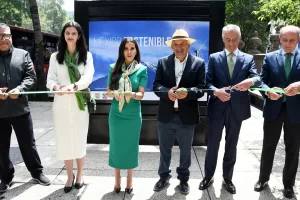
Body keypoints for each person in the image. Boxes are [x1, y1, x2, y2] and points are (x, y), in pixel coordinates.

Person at [199, 24, 260, 194]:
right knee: (212, 145)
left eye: (234, 40)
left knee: (231, 145)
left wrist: (251, 81)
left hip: (237, 110)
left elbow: (257, 77)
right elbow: (207, 82)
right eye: (228, 40)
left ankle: (228, 178)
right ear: (223, 39)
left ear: (239, 39)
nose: (231, 43)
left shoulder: (248, 59)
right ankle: (208, 176)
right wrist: (216, 92)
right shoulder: (214, 58)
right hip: (217, 108)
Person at [152, 29, 206, 195]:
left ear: (188, 45)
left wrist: (188, 92)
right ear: (172, 46)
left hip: (186, 116)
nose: (179, 47)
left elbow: (201, 89)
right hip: (166, 115)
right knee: (164, 149)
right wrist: (167, 93)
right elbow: (156, 86)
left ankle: (183, 179)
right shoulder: (162, 62)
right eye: (176, 44)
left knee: (185, 150)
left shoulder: (199, 63)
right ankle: (163, 176)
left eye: (182, 43)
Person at [0, 23, 50, 193]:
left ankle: (37, 172)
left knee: (28, 144)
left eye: (5, 35)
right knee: (1, 147)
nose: (3, 39)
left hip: (20, 109)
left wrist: (20, 90)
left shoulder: (23, 55)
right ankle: (5, 177)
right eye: (0, 36)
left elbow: (30, 76)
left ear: (10, 37)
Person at [46, 21, 94, 193]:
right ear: (63, 35)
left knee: (79, 139)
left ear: (79, 36)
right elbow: (50, 80)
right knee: (65, 140)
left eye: (74, 33)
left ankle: (80, 174)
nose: (70, 36)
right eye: (67, 33)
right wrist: (57, 87)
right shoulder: (55, 57)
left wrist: (74, 87)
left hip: (79, 104)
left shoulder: (87, 56)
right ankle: (69, 176)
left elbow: (88, 78)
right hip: (61, 104)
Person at [254, 25, 300, 199]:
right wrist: (267, 91)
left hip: (296, 111)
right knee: (268, 147)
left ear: (298, 40)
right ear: (280, 39)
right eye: (285, 40)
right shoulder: (270, 58)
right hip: (274, 109)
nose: (288, 44)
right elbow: (261, 80)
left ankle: (288, 185)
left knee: (293, 149)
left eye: (292, 40)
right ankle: (263, 179)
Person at [106, 38, 147, 194]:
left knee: (131, 146)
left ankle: (129, 181)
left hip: (133, 115)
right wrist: (115, 93)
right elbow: (108, 91)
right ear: (121, 51)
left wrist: (132, 94)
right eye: (126, 48)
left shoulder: (142, 69)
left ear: (136, 50)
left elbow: (141, 94)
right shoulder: (113, 68)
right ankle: (117, 181)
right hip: (117, 113)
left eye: (132, 48)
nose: (129, 51)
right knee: (116, 146)